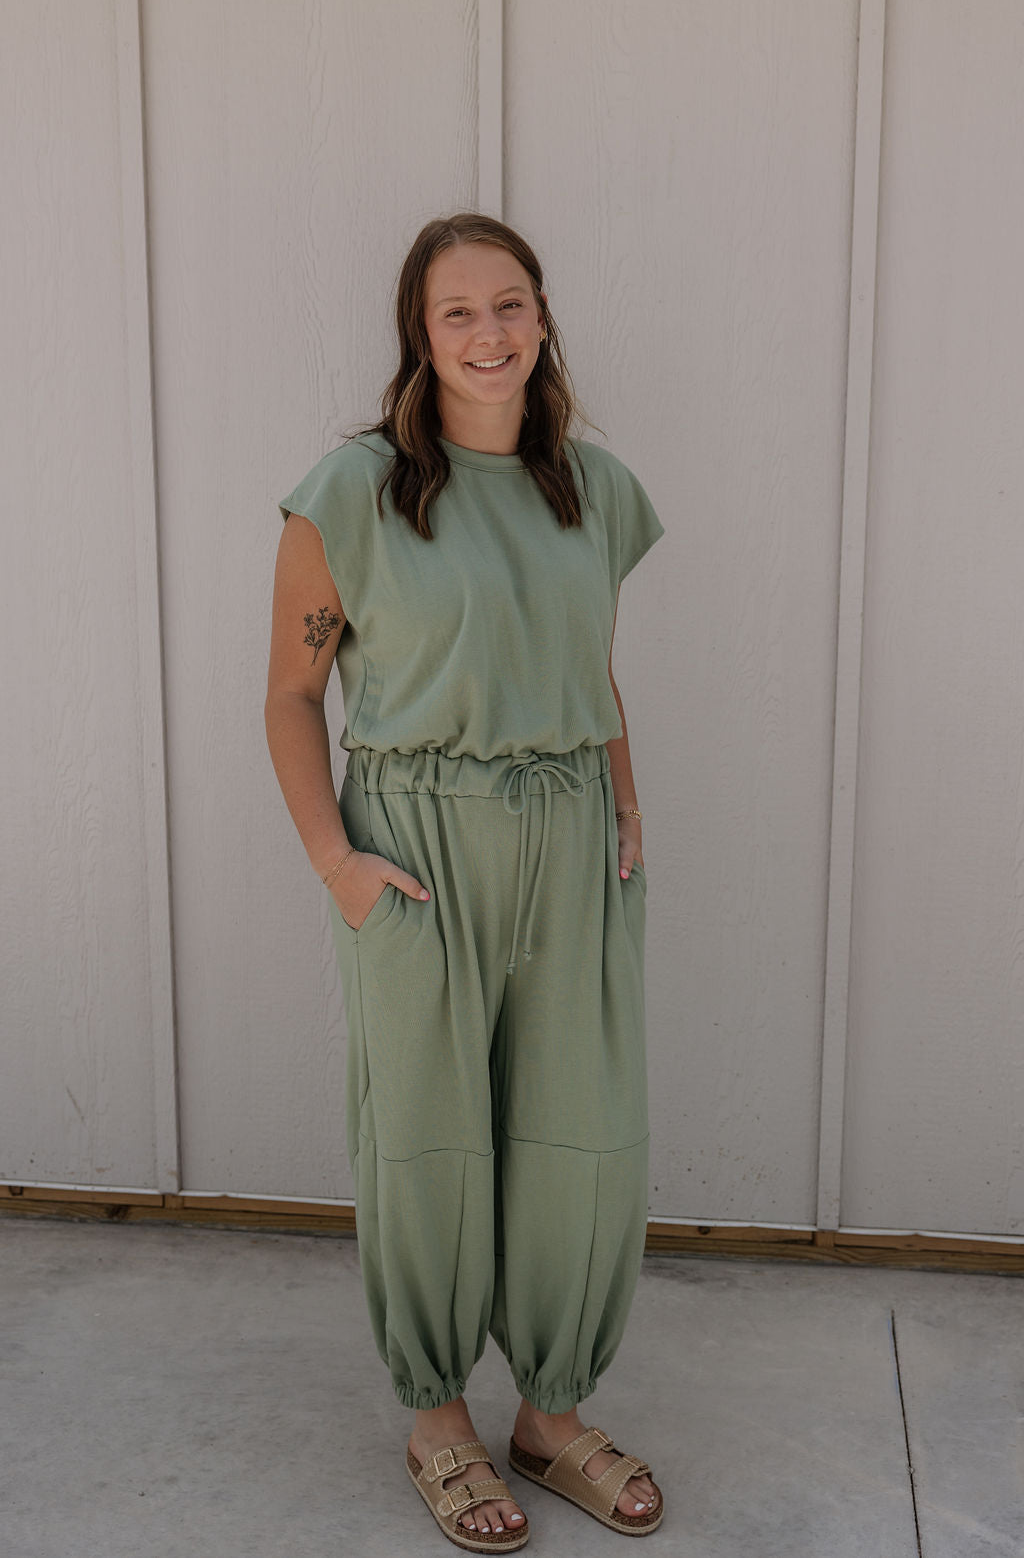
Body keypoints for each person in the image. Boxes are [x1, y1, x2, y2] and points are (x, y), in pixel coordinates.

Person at [265, 213, 666, 1552]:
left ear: (542, 318)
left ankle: (551, 1414)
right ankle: (438, 1415)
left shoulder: (591, 489)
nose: (489, 333)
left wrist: (625, 800)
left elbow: (589, 664)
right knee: (428, 1132)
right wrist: (338, 864)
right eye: (458, 312)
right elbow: (290, 695)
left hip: (572, 838)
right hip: (418, 847)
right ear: (420, 335)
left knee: (581, 1133)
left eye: (511, 304)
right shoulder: (355, 491)